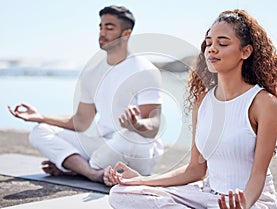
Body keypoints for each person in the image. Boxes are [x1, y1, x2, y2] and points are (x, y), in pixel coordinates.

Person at [105, 9, 277, 208]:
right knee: (121, 193)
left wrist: (243, 204)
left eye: (222, 43)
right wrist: (140, 180)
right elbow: (195, 170)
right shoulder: (203, 101)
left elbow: (258, 175)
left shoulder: (263, 102)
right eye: (209, 43)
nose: (212, 49)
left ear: (245, 51)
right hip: (207, 194)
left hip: (250, 201)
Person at [8, 5, 163, 184]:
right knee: (39, 131)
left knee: (129, 138)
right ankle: (92, 172)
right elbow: (81, 122)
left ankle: (77, 167)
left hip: (135, 146)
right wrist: (40, 117)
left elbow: (154, 127)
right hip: (103, 144)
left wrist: (136, 124)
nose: (102, 33)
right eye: (101, 27)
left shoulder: (145, 70)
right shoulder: (92, 73)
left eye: (109, 28)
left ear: (126, 33)